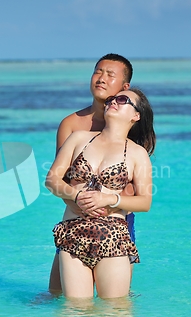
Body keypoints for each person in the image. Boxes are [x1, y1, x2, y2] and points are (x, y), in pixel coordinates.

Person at [45, 88, 155, 298]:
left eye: (122, 100)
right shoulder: (79, 139)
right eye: (112, 99)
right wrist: (76, 196)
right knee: (75, 312)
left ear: (135, 115)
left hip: (113, 236)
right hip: (73, 233)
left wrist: (109, 198)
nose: (114, 101)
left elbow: (145, 202)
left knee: (115, 314)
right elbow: (51, 180)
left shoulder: (137, 153)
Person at [49, 53, 135, 293]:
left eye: (110, 75)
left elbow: (135, 185)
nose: (101, 78)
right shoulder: (72, 124)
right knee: (57, 295)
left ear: (124, 87)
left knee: (117, 302)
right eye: (98, 72)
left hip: (117, 222)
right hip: (74, 218)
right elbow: (61, 176)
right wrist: (79, 203)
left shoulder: (131, 125)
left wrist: (107, 205)